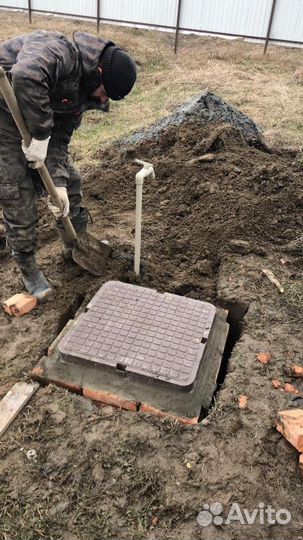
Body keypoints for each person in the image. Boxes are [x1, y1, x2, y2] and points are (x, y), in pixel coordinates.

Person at [0, 30, 137, 298]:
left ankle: (76, 242)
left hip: (31, 115)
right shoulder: (59, 51)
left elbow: (60, 138)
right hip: (3, 113)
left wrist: (58, 184)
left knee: (70, 180)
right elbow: (26, 76)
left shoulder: (83, 93)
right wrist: (40, 134)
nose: (104, 100)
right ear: (98, 72)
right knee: (17, 192)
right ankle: (28, 267)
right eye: (106, 92)